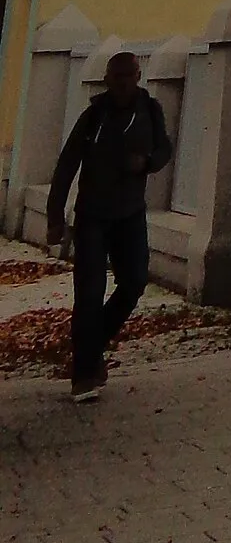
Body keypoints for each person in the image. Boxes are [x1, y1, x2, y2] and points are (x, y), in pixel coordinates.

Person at [47, 50, 172, 399]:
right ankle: (84, 375)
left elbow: (165, 149)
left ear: (138, 76)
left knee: (134, 283)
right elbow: (67, 165)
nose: (123, 83)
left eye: (129, 76)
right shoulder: (94, 116)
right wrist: (55, 217)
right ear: (107, 80)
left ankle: (91, 344)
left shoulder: (150, 111)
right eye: (116, 77)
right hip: (92, 218)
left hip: (130, 215)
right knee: (89, 293)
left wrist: (146, 162)